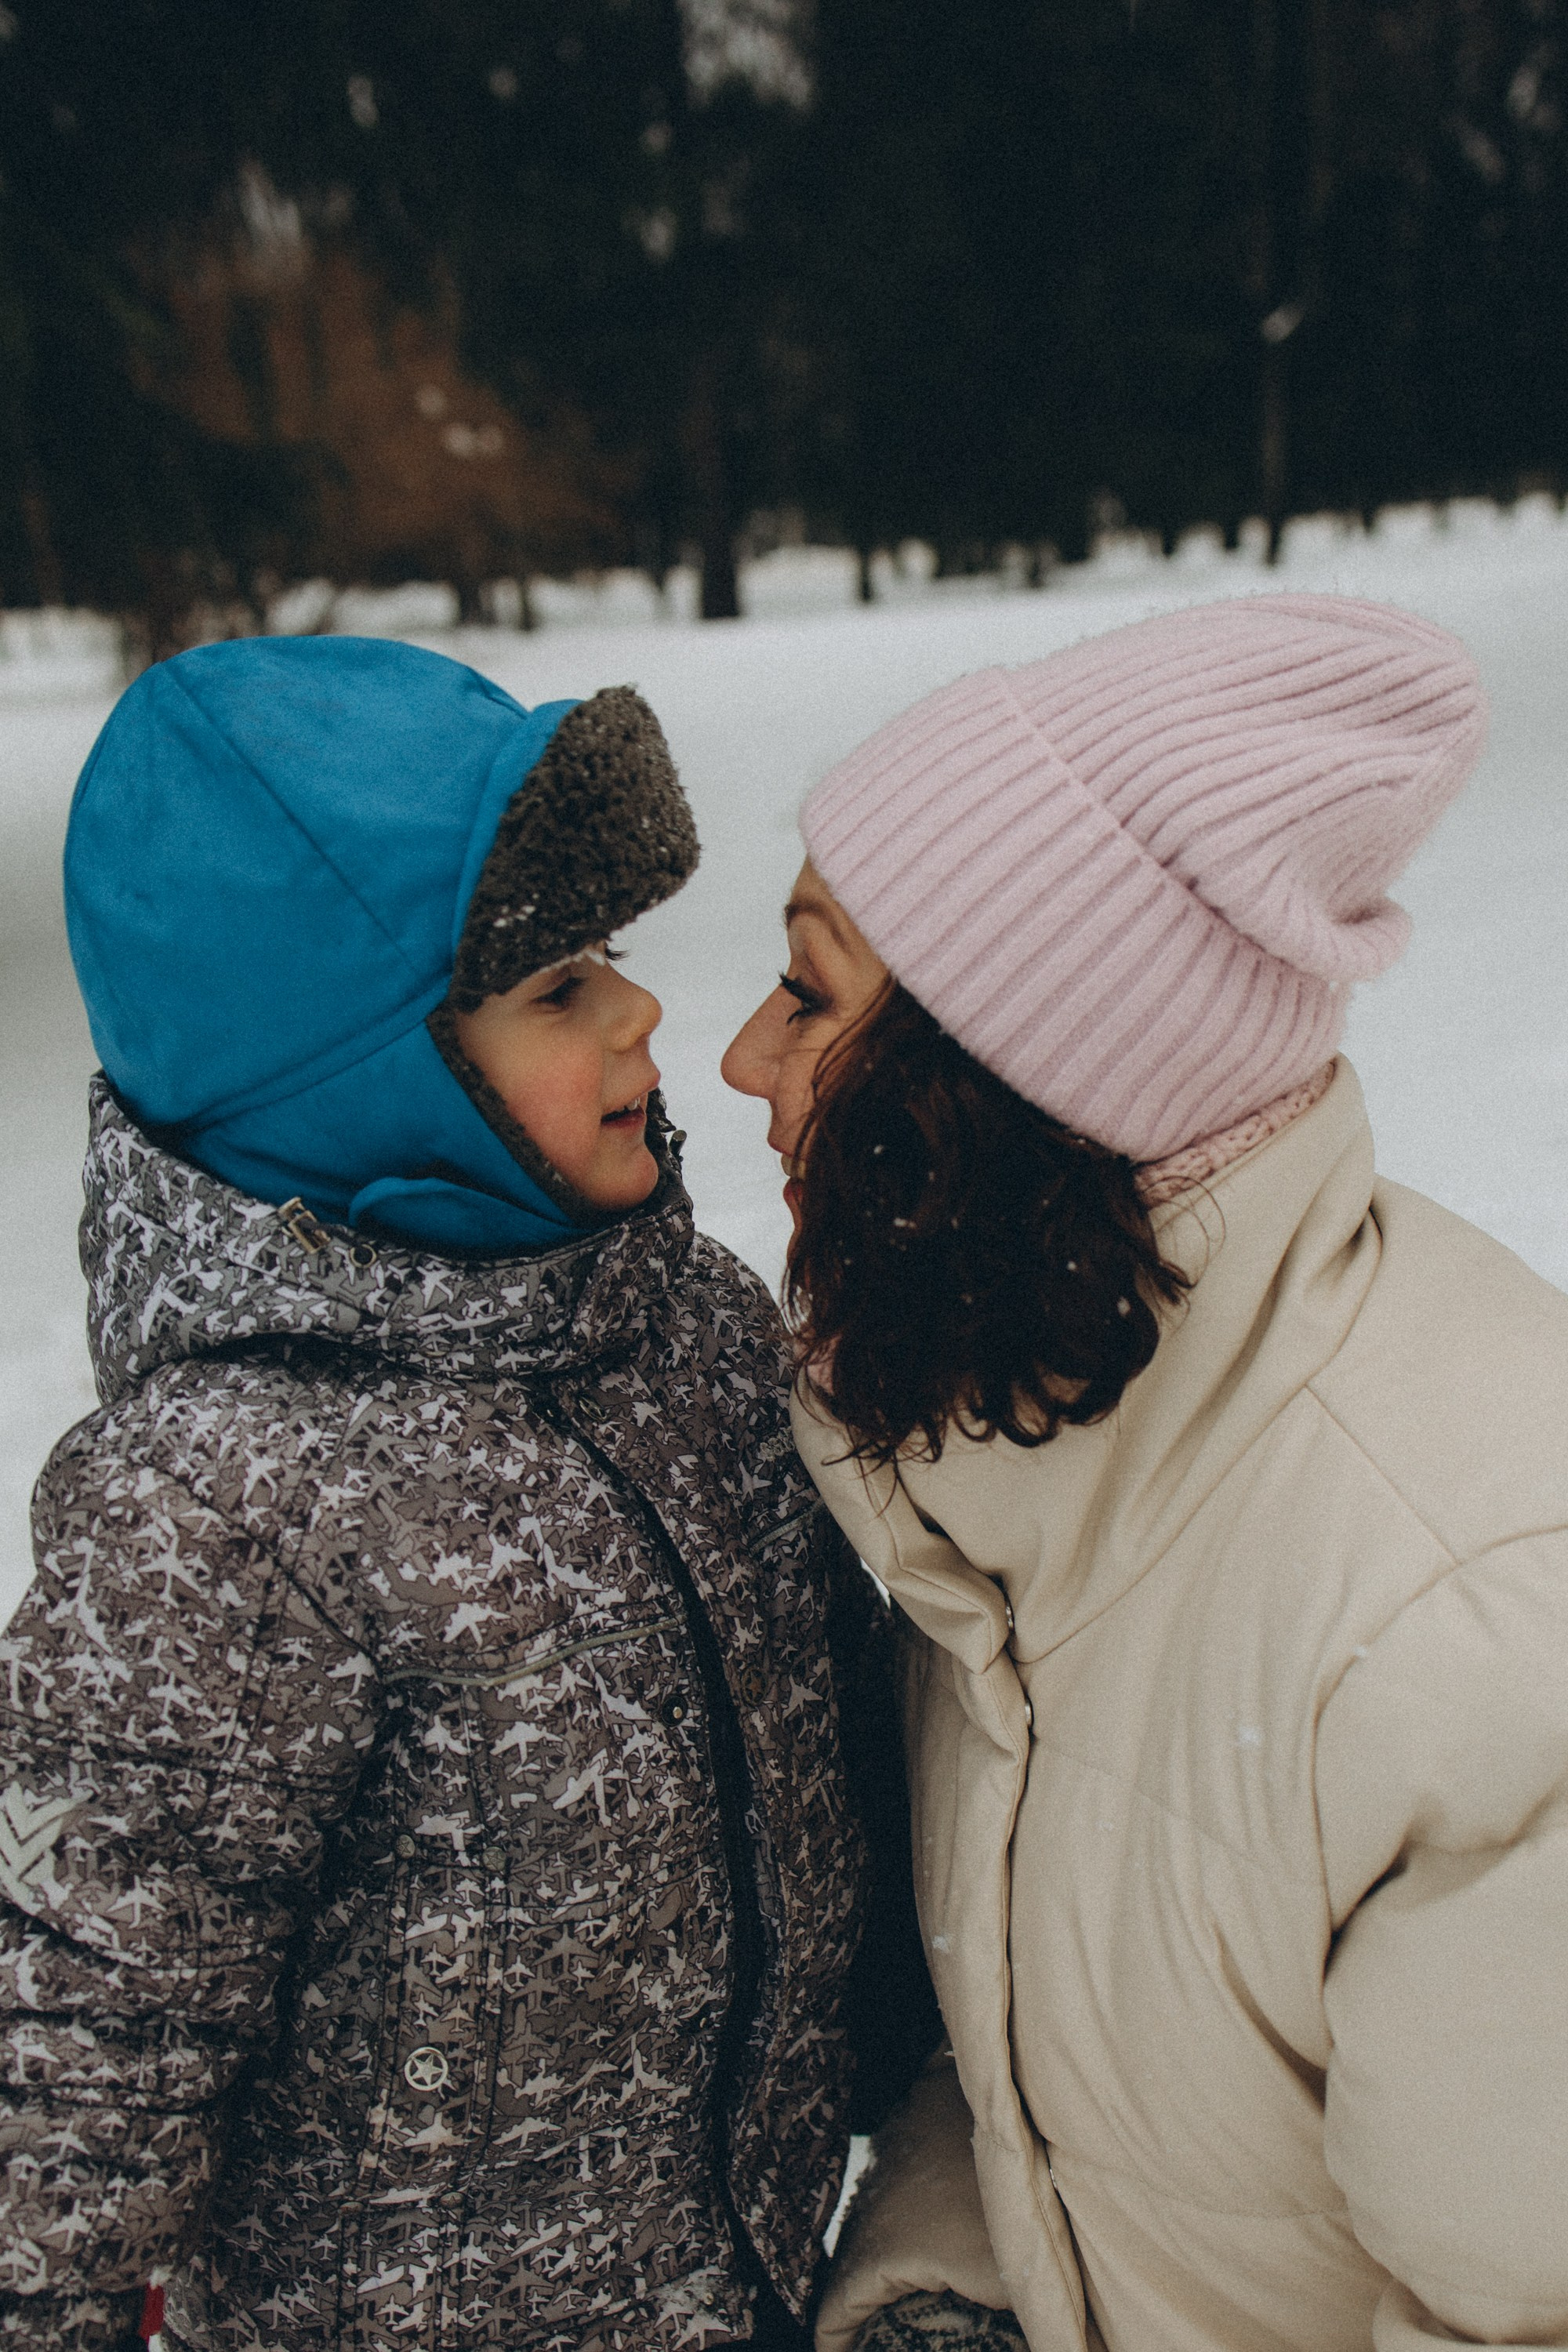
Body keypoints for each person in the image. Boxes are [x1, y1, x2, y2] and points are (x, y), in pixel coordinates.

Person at [0, 638, 932, 2352]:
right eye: (558, 988)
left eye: (614, 959)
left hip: (758, 2280)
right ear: (369, 1079)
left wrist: (919, 2077)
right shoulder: (217, 1507)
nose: (643, 1012)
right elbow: (76, 2042)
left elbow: (840, 1727)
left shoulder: (685, 1325)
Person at [722, 594, 1568, 2352]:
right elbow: (1047, 2038)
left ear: (1002, 1087)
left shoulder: (1472, 1620)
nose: (741, 1059)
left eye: (806, 991)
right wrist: (936, 2286)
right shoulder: (1016, 1458)